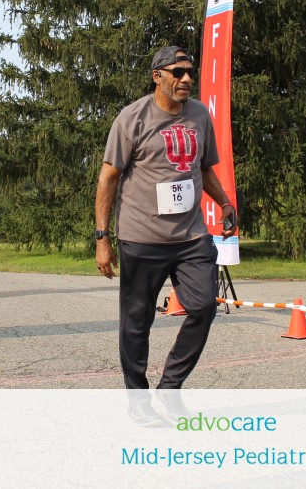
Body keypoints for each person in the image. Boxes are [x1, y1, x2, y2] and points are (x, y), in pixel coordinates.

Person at [95, 46, 237, 421]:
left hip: (191, 237)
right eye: (178, 72)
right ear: (157, 76)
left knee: (204, 306)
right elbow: (108, 178)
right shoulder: (132, 118)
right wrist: (102, 237)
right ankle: (138, 402)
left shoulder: (200, 115)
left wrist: (224, 203)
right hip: (142, 238)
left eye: (190, 72)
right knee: (137, 323)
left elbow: (204, 168)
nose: (186, 78)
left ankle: (170, 387)